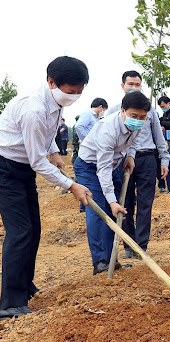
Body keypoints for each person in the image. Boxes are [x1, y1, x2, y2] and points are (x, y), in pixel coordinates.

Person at [0, 56, 91, 319]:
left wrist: (54, 151)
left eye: (79, 92)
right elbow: (36, 161)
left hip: (23, 168)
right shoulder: (33, 109)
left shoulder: (54, 100)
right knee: (20, 232)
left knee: (34, 229)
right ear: (51, 82)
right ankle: (10, 303)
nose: (74, 97)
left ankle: (24, 285)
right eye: (70, 92)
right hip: (6, 168)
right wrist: (72, 185)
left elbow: (47, 136)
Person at [74, 91, 150, 274]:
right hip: (90, 168)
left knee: (114, 213)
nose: (138, 120)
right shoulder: (108, 128)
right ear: (123, 111)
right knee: (100, 211)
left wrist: (131, 156)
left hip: (113, 165)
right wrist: (112, 200)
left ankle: (111, 259)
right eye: (134, 116)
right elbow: (103, 169)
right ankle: (100, 261)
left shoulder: (138, 123)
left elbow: (134, 140)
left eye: (142, 117)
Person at [107, 70, 169, 258]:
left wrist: (164, 159)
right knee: (125, 202)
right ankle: (128, 245)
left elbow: (158, 136)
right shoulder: (115, 110)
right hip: (123, 161)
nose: (134, 87)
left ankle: (141, 245)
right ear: (122, 86)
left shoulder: (149, 110)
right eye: (130, 84)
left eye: (137, 84)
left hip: (147, 159)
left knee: (145, 203)